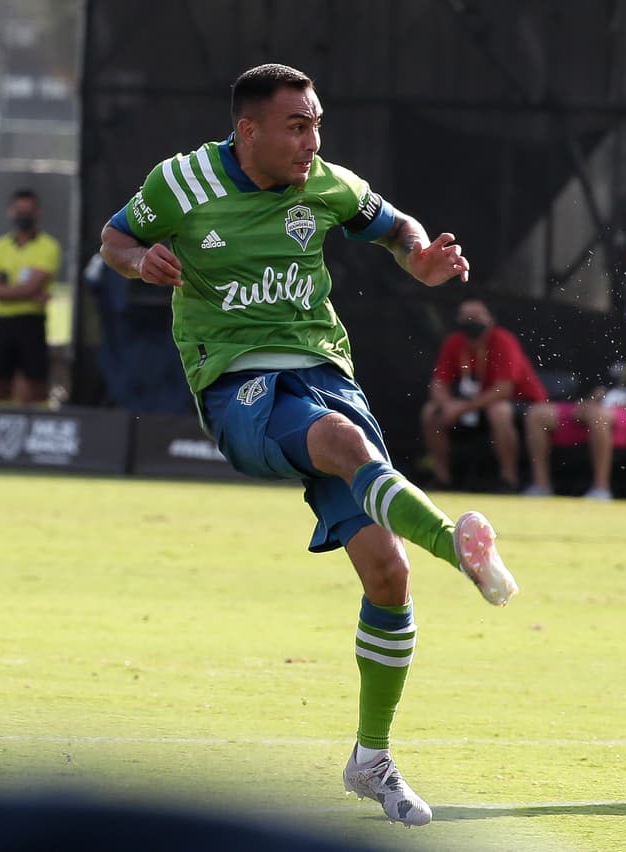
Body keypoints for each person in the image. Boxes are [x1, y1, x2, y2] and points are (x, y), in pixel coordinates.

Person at [98, 63, 518, 828]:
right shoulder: (182, 184)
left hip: (324, 370)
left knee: (387, 575)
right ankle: (456, 546)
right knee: (342, 440)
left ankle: (372, 759)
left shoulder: (326, 184)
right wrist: (140, 261)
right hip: (234, 386)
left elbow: (396, 229)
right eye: (298, 126)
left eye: (317, 123)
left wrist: (421, 259)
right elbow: (115, 237)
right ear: (247, 130)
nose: (312, 140)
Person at [523, 299, 626, 500]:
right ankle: (541, 485)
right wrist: (588, 404)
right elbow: (600, 390)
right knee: (537, 414)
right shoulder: (623, 354)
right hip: (601, 414)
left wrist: (610, 408)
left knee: (599, 417)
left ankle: (601, 488)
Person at [420, 297, 547, 491]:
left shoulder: (504, 341)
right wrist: (447, 405)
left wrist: (461, 407)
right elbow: (438, 384)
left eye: (477, 317)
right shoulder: (454, 343)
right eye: (467, 318)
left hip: (519, 403)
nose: (472, 323)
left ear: (490, 319)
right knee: (430, 412)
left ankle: (508, 479)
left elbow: (503, 390)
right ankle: (442, 478)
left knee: (499, 411)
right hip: (475, 405)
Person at [0, 189, 61, 403]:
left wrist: (5, 292)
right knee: (0, 381)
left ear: (37, 212)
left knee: (36, 381)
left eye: (28, 211)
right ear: (11, 212)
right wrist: (29, 293)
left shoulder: (48, 246)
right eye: (19, 211)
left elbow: (32, 286)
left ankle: (38, 423)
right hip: (2, 324)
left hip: (32, 323)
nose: (23, 216)